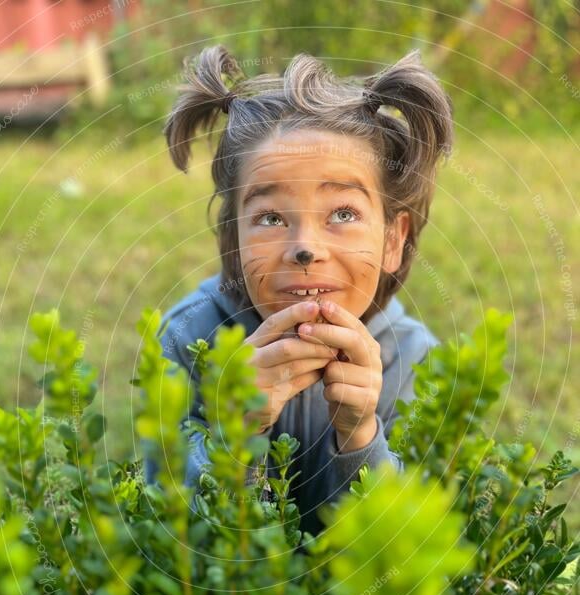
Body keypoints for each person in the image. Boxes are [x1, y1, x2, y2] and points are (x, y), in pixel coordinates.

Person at [146, 44, 454, 537]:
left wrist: (361, 436)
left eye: (343, 214)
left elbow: (417, 555)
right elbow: (161, 531)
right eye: (270, 217)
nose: (305, 249)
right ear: (235, 235)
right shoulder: (190, 339)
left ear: (392, 239)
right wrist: (236, 435)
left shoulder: (417, 361)